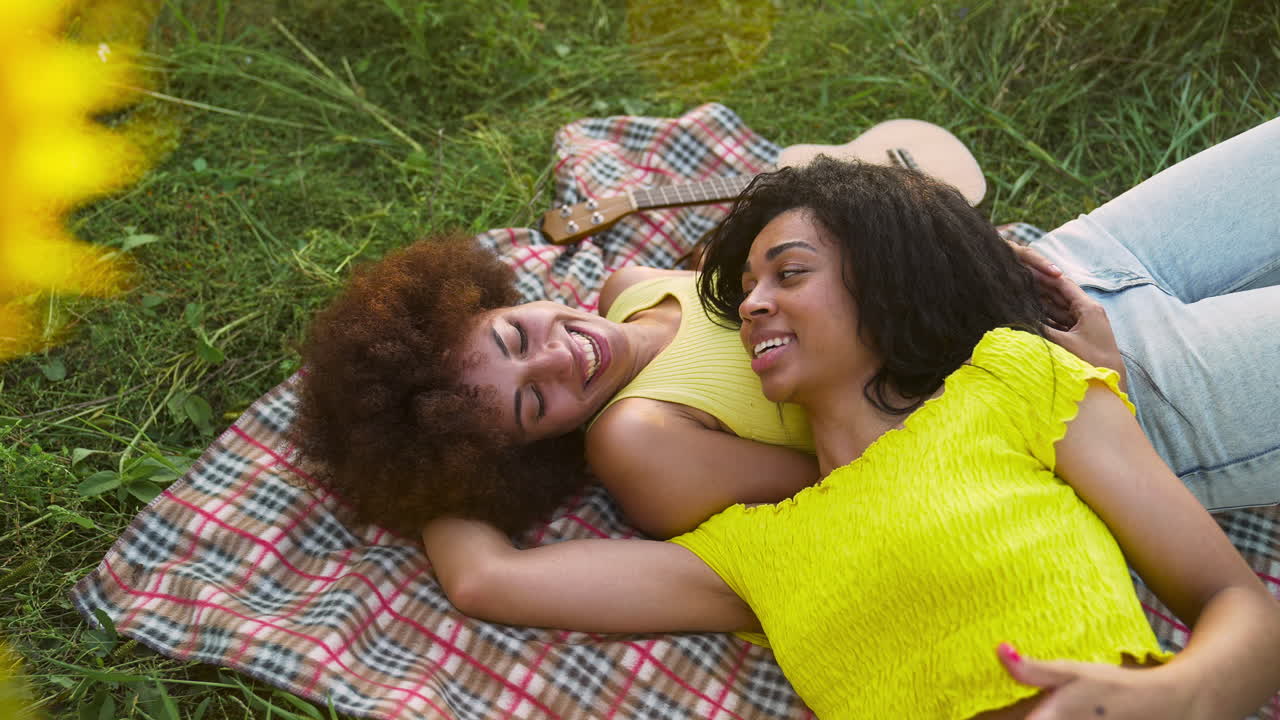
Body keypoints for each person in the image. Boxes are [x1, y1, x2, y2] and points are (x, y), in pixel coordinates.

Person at [423, 157, 1280, 719]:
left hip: (1059, 269)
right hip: (1133, 374)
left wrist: (1181, 694)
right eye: (748, 287)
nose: (752, 303)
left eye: (786, 274)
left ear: (883, 275)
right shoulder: (755, 553)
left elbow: (1237, 609)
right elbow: (487, 578)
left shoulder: (1013, 384)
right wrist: (421, 443)